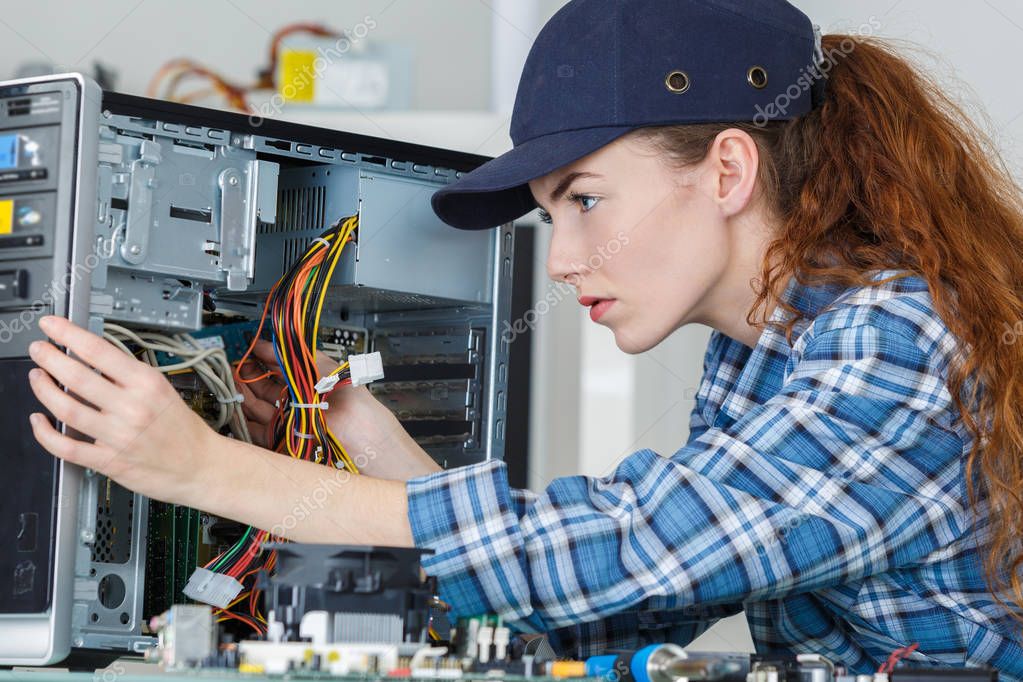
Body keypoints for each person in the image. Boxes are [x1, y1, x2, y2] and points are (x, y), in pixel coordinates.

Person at [25, 0, 1023, 675]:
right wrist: (351, 423)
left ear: (727, 171)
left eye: (586, 200)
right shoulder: (762, 353)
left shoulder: (899, 345)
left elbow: (628, 547)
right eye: (553, 217)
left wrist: (202, 470)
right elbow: (615, 606)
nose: (560, 261)